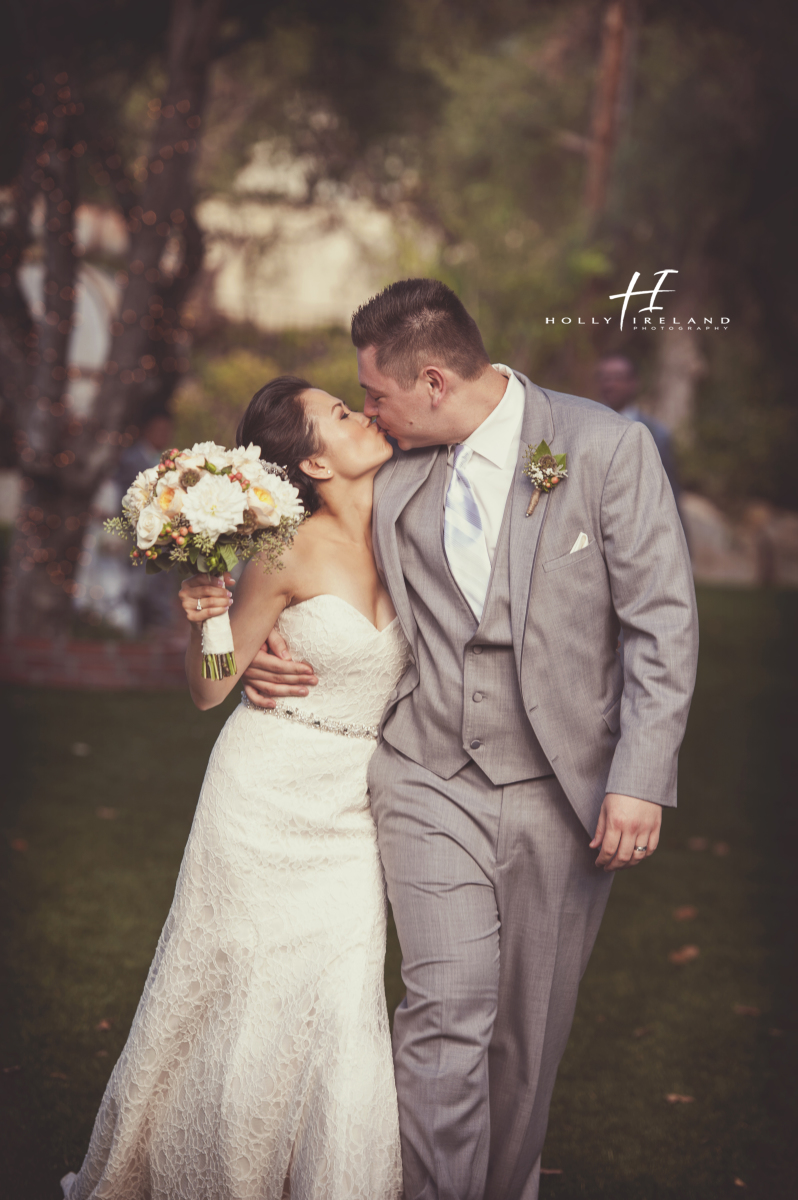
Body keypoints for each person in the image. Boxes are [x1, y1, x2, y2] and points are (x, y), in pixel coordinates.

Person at [244, 279, 699, 1200]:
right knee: (444, 1012)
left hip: (560, 791)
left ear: (435, 380)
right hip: (426, 776)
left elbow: (662, 622)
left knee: (525, 1040)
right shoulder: (393, 468)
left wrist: (639, 776)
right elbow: (305, 565)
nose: (366, 413)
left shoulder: (603, 449)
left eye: (375, 395)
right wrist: (241, 634)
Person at [61, 377, 406, 1200]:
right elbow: (212, 688)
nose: (366, 415)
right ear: (316, 458)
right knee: (236, 993)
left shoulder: (409, 522)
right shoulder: (283, 550)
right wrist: (208, 617)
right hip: (261, 800)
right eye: (344, 413)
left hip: (354, 812)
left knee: (344, 999)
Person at [594, 354, 682, 506]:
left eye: (617, 377)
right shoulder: (586, 427)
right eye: (604, 378)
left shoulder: (658, 435)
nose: (610, 384)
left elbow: (669, 493)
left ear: (633, 383)